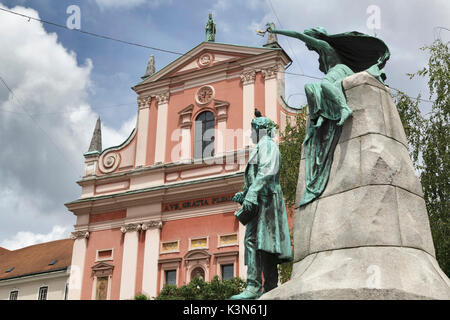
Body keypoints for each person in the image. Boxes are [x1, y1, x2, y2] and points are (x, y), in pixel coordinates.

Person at [230, 113, 293, 300]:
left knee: (255, 241)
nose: (250, 134)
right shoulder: (261, 147)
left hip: (266, 200)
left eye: (252, 130)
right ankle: (269, 287)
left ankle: (254, 286)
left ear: (260, 130)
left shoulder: (267, 145)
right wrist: (245, 193)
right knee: (263, 244)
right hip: (262, 199)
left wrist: (252, 192)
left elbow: (267, 170)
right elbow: (260, 174)